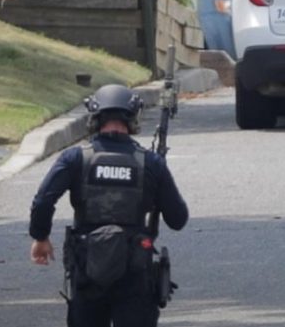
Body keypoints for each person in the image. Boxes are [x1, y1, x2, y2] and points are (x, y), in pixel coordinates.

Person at [29, 84, 189, 327]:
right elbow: (178, 219)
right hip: (135, 270)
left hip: (87, 267)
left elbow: (43, 201)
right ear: (133, 117)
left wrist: (40, 237)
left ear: (94, 117)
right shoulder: (151, 163)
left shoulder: (74, 158)